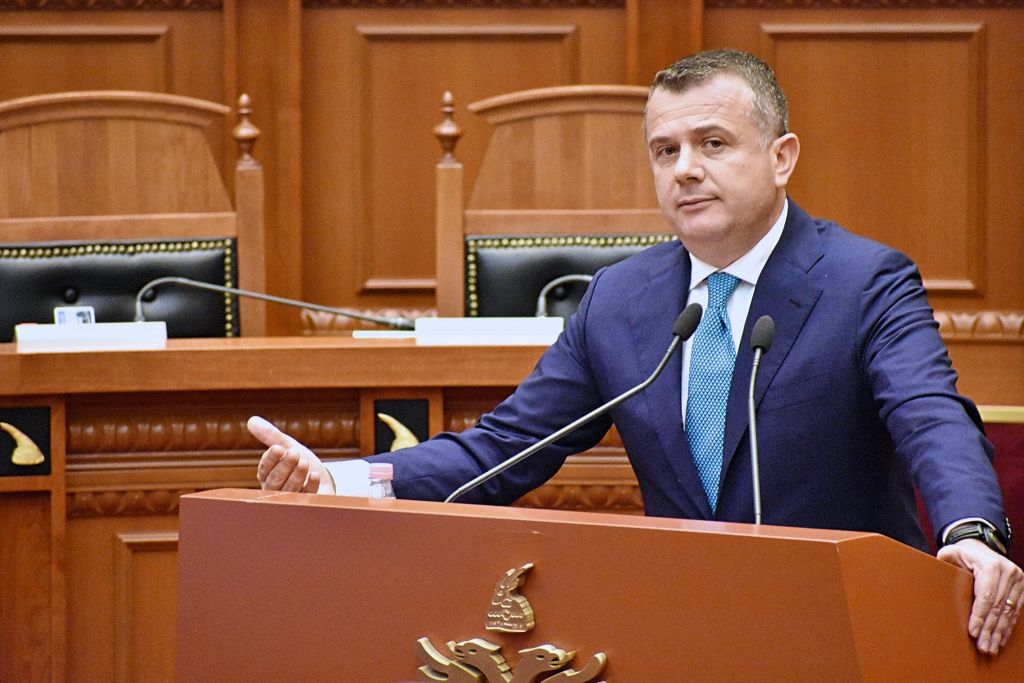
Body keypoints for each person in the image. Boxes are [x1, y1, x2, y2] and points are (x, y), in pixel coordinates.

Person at [249, 48, 1022, 655]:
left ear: (782, 156)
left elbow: (931, 417)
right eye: (664, 149)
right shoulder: (621, 299)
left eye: (712, 143)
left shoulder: (864, 280)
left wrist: (970, 533)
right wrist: (338, 480)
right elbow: (506, 446)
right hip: (679, 632)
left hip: (842, 628)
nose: (685, 168)